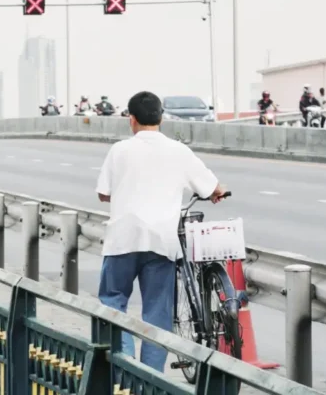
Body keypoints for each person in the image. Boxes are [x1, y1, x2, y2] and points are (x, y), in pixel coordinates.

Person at [95, 90, 227, 372]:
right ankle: (150, 378)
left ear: (131, 120)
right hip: (161, 242)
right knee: (157, 313)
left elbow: (103, 194)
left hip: (123, 240)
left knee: (113, 302)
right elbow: (211, 186)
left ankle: (125, 367)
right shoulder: (179, 151)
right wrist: (217, 192)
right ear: (161, 118)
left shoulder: (119, 150)